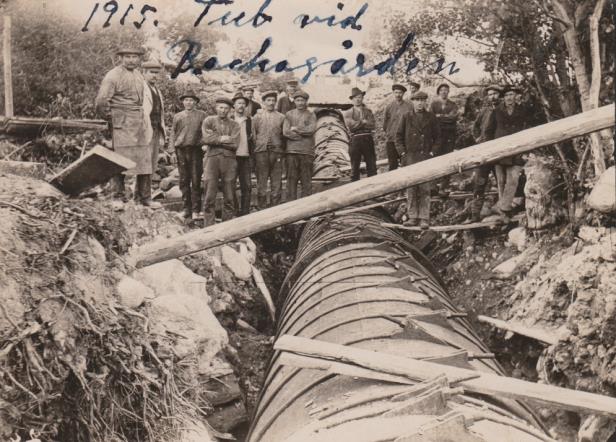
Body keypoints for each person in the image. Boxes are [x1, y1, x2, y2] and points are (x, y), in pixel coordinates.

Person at [95, 47, 149, 201]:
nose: (131, 60)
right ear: (120, 58)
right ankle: (118, 196)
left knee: (143, 159)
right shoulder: (113, 75)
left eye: (134, 57)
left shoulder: (138, 74)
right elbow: (101, 101)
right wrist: (112, 118)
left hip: (138, 121)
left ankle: (144, 197)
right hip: (121, 121)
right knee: (119, 158)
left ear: (139, 59)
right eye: (128, 56)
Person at [396, 91, 440, 229]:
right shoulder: (406, 116)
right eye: (417, 100)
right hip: (410, 157)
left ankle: (424, 218)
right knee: (411, 188)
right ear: (413, 102)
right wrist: (403, 153)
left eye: (422, 100)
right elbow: (398, 137)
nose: (420, 103)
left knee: (425, 188)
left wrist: (432, 152)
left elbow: (438, 137)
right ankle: (413, 216)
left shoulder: (431, 117)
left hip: (425, 157)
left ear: (426, 102)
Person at [484, 85, 528, 216]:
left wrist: (525, 148)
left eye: (512, 95)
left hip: (516, 150)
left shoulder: (523, 110)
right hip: (500, 151)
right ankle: (504, 210)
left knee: (513, 179)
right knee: (501, 181)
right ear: (503, 98)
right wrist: (491, 148)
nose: (509, 98)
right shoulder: (497, 111)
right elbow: (488, 132)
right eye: (507, 95)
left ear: (516, 96)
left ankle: (503, 206)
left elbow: (528, 129)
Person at [201, 97, 240, 226]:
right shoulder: (209, 121)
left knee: (229, 196)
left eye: (226, 108)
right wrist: (223, 139)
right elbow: (206, 139)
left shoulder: (235, 124)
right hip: (211, 160)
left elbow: (235, 144)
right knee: (209, 195)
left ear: (229, 110)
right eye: (220, 107)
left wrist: (215, 139)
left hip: (229, 161)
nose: (223, 110)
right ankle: (209, 226)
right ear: (216, 108)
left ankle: (227, 226)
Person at [169, 92, 207, 220]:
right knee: (184, 180)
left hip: (196, 150)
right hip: (181, 150)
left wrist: (205, 144)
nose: (188, 102)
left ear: (195, 102)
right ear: (183, 102)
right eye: (186, 100)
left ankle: (196, 210)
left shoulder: (202, 115)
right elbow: (173, 134)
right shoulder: (178, 116)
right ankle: (186, 209)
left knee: (196, 180)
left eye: (191, 100)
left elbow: (207, 131)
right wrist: (172, 151)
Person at [468, 85, 502, 222]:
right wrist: (477, 138)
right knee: (479, 183)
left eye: (495, 93)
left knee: (501, 181)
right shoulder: (485, 110)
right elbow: (475, 126)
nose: (492, 96)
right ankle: (475, 214)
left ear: (499, 95)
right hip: (484, 151)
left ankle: (504, 212)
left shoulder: (503, 109)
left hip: (499, 152)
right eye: (490, 94)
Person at [252, 90, 286, 209]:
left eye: (273, 100)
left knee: (276, 181)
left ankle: (275, 207)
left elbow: (284, 135)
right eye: (268, 100)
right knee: (262, 180)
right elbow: (254, 135)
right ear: (264, 102)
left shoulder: (281, 117)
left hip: (276, 152)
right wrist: (259, 147)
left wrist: (280, 149)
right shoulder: (257, 117)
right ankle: (261, 207)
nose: (271, 103)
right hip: (261, 152)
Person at [140, 60, 166, 208]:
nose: (154, 76)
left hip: (155, 130)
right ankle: (144, 197)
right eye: (151, 72)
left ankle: (144, 196)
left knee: (151, 163)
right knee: (143, 163)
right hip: (144, 130)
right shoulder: (141, 88)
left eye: (156, 73)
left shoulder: (157, 90)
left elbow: (160, 113)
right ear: (144, 73)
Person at [283, 90, 317, 200]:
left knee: (306, 180)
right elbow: (286, 132)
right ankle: (290, 205)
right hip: (292, 151)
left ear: (306, 101)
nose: (300, 103)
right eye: (298, 100)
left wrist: (297, 129)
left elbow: (311, 130)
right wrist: (301, 135)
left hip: (306, 152)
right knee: (291, 180)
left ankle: (306, 206)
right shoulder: (289, 114)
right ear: (294, 101)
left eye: (302, 100)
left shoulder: (311, 114)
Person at [343, 87, 377, 181]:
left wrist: (359, 123)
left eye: (360, 97)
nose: (358, 99)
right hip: (355, 139)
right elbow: (351, 126)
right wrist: (363, 122)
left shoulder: (368, 111)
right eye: (355, 98)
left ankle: (373, 188)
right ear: (352, 99)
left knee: (371, 165)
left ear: (362, 98)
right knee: (355, 166)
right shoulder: (348, 113)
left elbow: (372, 125)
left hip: (367, 138)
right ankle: (354, 188)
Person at [430, 83, 459, 195]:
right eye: (441, 90)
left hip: (449, 135)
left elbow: (453, 118)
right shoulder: (434, 104)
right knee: (435, 158)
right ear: (438, 92)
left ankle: (444, 186)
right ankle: (433, 186)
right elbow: (431, 119)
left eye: (446, 90)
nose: (444, 92)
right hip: (437, 135)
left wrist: (440, 117)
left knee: (448, 158)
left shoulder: (453, 104)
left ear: (448, 92)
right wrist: (445, 117)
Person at [231, 91, 255, 216]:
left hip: (245, 156)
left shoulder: (250, 121)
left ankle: (245, 212)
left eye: (243, 103)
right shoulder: (229, 120)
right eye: (238, 103)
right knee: (231, 185)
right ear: (234, 105)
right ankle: (234, 211)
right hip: (232, 157)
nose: (241, 105)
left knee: (247, 186)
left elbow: (253, 139)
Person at [383, 83, 413, 171]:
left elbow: (412, 121)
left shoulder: (409, 106)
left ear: (403, 94)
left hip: (404, 140)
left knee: (406, 163)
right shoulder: (389, 106)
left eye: (400, 93)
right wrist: (389, 133)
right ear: (393, 93)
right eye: (396, 92)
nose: (398, 95)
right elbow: (385, 123)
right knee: (392, 164)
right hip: (391, 139)